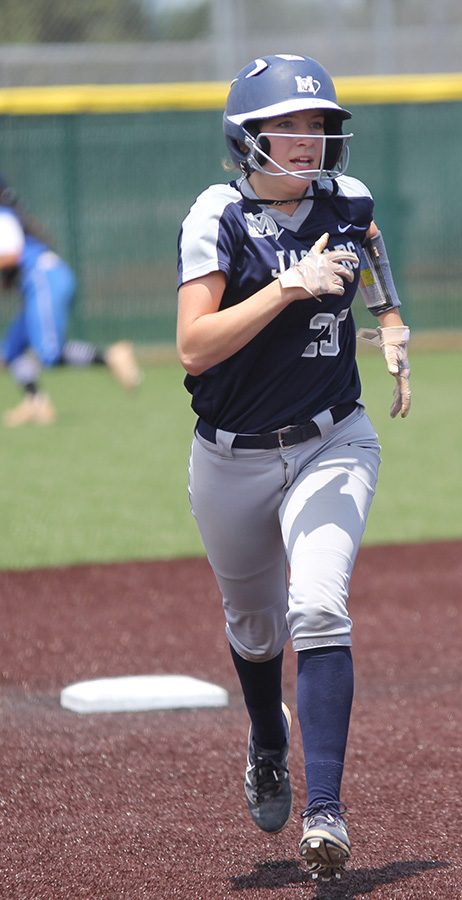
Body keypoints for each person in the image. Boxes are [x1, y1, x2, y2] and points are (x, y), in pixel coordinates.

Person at [176, 53, 411, 882]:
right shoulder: (219, 216)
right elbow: (192, 347)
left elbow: (372, 237)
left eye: (319, 124)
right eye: (293, 125)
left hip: (332, 439)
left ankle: (327, 813)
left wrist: (390, 319)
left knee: (316, 604)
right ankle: (268, 738)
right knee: (253, 628)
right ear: (250, 137)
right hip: (231, 456)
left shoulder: (347, 199)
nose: (311, 139)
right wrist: (286, 287)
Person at [0, 174, 141, 426]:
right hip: (41, 281)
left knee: (49, 353)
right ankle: (36, 401)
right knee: (12, 349)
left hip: (44, 279)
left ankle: (110, 357)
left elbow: (11, 255)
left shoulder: (4, 215)